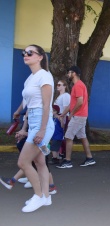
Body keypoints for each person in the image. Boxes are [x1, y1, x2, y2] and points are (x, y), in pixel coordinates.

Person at [12, 44, 55, 213]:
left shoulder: (44, 76)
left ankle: (38, 196)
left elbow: (46, 105)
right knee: (40, 162)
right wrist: (18, 112)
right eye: (24, 52)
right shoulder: (30, 78)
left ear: (40, 57)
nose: (25, 54)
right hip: (34, 122)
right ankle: (46, 197)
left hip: (42, 122)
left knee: (23, 162)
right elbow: (28, 102)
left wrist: (42, 130)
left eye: (30, 52)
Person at [56, 66, 96, 168]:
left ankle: (67, 161)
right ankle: (89, 158)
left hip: (78, 116)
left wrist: (72, 114)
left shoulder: (78, 86)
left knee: (68, 137)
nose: (68, 75)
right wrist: (64, 114)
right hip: (81, 115)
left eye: (69, 73)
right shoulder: (78, 85)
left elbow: (80, 102)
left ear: (74, 73)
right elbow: (72, 103)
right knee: (83, 137)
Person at [53, 79, 70, 157]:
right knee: (58, 135)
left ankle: (61, 153)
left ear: (65, 86)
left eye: (60, 85)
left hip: (62, 117)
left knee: (59, 135)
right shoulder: (59, 96)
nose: (58, 86)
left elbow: (66, 108)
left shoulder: (65, 96)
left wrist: (62, 119)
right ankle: (60, 153)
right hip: (57, 117)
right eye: (57, 84)